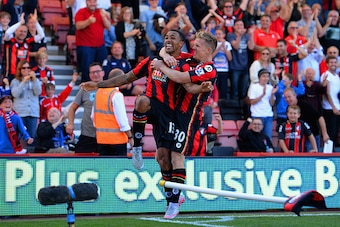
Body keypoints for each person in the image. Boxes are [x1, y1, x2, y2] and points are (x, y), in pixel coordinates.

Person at [80, 30, 213, 219]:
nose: (168, 40)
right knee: (141, 101)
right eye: (165, 37)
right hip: (153, 105)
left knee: (163, 158)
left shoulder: (187, 62)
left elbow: (190, 83)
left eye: (172, 38)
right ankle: (136, 147)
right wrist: (99, 84)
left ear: (182, 43)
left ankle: (172, 199)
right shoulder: (152, 61)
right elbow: (126, 78)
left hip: (171, 115)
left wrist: (201, 86)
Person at [151, 30, 217, 218]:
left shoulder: (209, 68)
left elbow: (181, 80)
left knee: (176, 155)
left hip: (188, 116)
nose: (193, 48)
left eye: (197, 46)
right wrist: (163, 56)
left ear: (208, 49)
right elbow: (167, 51)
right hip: (170, 113)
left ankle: (173, 203)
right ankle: (172, 197)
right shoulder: (190, 60)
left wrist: (161, 67)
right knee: (161, 156)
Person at [92, 69, 133, 156]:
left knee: (105, 168)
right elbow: (122, 121)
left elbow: (92, 116)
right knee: (118, 169)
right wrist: (130, 137)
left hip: (101, 140)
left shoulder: (98, 92)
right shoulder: (116, 95)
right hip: (117, 141)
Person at [66, 62, 104, 153]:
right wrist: (70, 123)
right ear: (89, 75)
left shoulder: (110, 88)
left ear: (103, 73)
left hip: (105, 134)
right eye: (92, 72)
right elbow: (72, 108)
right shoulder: (85, 89)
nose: (95, 74)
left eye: (98, 71)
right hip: (87, 133)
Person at [75, 0, 111, 82]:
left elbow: (108, 27)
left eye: (94, 2)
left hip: (100, 45)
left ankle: (101, 85)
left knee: (103, 66)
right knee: (86, 68)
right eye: (90, 2)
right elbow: (78, 26)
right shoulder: (81, 11)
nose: (92, 3)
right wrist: (88, 21)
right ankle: (86, 85)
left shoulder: (100, 12)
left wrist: (104, 17)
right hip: (85, 45)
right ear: (86, 2)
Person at [283, 88, 329, 152]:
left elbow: (320, 117)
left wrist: (325, 133)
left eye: (289, 97)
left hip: (312, 136)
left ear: (295, 95)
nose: (287, 99)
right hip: (300, 139)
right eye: (285, 97)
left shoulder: (305, 105)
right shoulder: (288, 108)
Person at [4, 12, 44, 82]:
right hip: (11, 75)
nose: (22, 33)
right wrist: (20, 23)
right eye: (20, 31)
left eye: (25, 32)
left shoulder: (27, 42)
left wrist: (36, 22)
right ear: (16, 31)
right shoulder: (10, 41)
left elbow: (41, 35)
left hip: (25, 75)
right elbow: (7, 33)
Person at [10, 60, 41, 144]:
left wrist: (34, 80)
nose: (26, 70)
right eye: (23, 68)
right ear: (20, 70)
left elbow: (38, 92)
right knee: (17, 136)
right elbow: (15, 94)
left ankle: (31, 155)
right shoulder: (15, 81)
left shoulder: (36, 81)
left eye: (28, 68)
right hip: (20, 113)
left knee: (32, 137)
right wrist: (23, 82)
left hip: (32, 113)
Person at [226, 19, 254, 101]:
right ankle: (233, 108)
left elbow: (251, 47)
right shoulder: (230, 35)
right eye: (237, 25)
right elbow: (236, 46)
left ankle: (242, 109)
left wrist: (251, 35)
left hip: (244, 66)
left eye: (241, 25)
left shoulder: (246, 36)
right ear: (234, 27)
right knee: (234, 90)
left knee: (243, 90)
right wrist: (239, 36)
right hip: (234, 66)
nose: (239, 27)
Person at [247, 68, 278, 139]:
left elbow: (272, 103)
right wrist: (262, 95)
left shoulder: (270, 87)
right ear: (259, 77)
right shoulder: (254, 87)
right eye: (264, 76)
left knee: (268, 138)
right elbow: (252, 102)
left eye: (267, 76)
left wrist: (272, 94)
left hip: (268, 115)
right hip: (257, 115)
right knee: (256, 138)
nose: (266, 78)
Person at [320, 56, 340, 148]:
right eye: (331, 62)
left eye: (335, 62)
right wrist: (334, 107)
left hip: (337, 108)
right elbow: (327, 93)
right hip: (329, 109)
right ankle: (327, 154)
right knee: (330, 134)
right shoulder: (326, 75)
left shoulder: (337, 76)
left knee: (335, 133)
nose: (333, 64)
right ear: (327, 64)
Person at [212, 27, 232, 100]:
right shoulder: (213, 44)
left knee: (223, 88)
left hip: (224, 70)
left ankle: (223, 103)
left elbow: (230, 58)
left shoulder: (227, 44)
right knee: (215, 88)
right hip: (215, 69)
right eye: (216, 34)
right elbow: (211, 57)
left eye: (220, 34)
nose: (218, 36)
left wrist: (224, 47)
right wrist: (219, 48)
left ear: (223, 35)